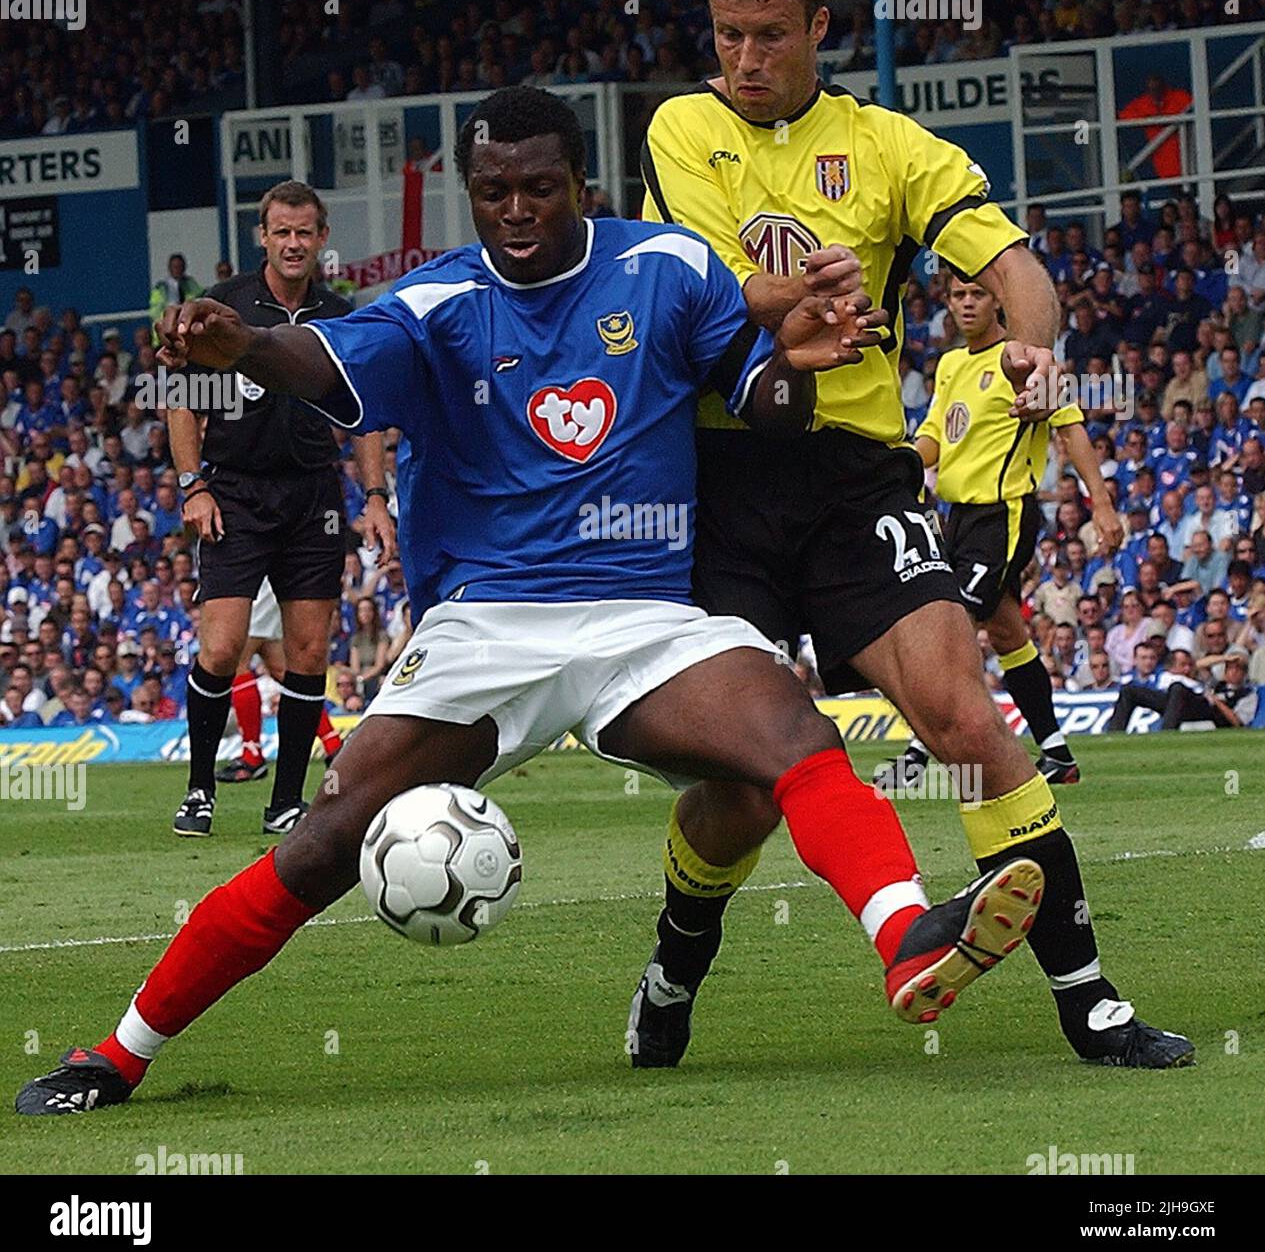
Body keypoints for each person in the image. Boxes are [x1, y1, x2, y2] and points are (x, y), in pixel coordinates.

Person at [15, 87, 1046, 1118]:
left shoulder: (668, 267)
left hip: (645, 616)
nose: (515, 209)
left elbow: (761, 402)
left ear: (580, 186)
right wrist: (244, 348)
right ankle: (117, 1051)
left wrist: (795, 365)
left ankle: (905, 935)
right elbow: (318, 356)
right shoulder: (437, 304)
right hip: (484, 626)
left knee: (790, 728)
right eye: (493, 190)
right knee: (326, 838)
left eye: (539, 188)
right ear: (472, 192)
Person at [635, 0, 1189, 1071]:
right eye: (728, 35)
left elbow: (1012, 268)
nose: (744, 58)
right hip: (724, 472)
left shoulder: (888, 145)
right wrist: (804, 296)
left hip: (851, 476)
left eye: (769, 36)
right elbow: (708, 286)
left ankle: (1087, 1002)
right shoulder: (680, 127)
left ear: (819, 28)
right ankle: (672, 962)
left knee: (965, 719)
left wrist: (1032, 351)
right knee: (742, 791)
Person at [165, 180, 395, 837]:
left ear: (322, 239)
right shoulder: (225, 308)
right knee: (222, 647)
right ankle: (200, 789)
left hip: (314, 496)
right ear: (262, 237)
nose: (293, 244)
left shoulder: (341, 313)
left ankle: (286, 803)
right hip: (234, 491)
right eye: (281, 232)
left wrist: (374, 497)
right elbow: (179, 399)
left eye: (304, 232)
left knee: (308, 650)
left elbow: (366, 417)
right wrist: (192, 486)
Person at [905, 271, 1123, 787]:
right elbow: (937, 433)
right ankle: (1057, 752)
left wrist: (1103, 504)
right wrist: (901, 467)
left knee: (951, 621)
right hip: (955, 517)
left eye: (976, 293)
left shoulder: (1025, 359)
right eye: (957, 295)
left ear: (999, 299)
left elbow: (1070, 427)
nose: (965, 303)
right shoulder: (952, 363)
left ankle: (917, 752)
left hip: (1002, 514)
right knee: (1006, 632)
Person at [214, 577, 344, 785]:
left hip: (258, 577)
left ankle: (252, 754)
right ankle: (334, 746)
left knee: (237, 660)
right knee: (281, 669)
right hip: (267, 576)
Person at [1106, 643, 1257, 730]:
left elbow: (1238, 723)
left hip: (1201, 706)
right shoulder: (1174, 675)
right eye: (1230, 668)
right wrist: (1225, 658)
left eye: (1239, 669)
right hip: (1172, 701)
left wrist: (1215, 700)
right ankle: (1113, 735)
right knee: (1128, 691)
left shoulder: (1245, 692)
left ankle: (1166, 735)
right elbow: (1198, 664)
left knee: (1177, 688)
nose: (1234, 672)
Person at [147, 254, 203, 325]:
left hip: (186, 322)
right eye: (175, 267)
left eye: (180, 266)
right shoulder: (160, 287)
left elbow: (198, 299)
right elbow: (155, 311)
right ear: (169, 268)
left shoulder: (191, 284)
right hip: (167, 324)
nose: (178, 269)